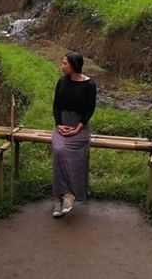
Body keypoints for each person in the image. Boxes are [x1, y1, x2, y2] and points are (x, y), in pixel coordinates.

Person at [51, 51, 96, 218]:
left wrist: (78, 128)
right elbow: (56, 106)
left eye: (65, 64)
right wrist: (58, 125)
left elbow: (90, 109)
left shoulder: (89, 85)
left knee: (72, 153)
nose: (61, 66)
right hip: (62, 125)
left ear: (74, 66)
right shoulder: (62, 82)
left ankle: (68, 195)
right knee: (58, 150)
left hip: (80, 127)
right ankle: (61, 197)